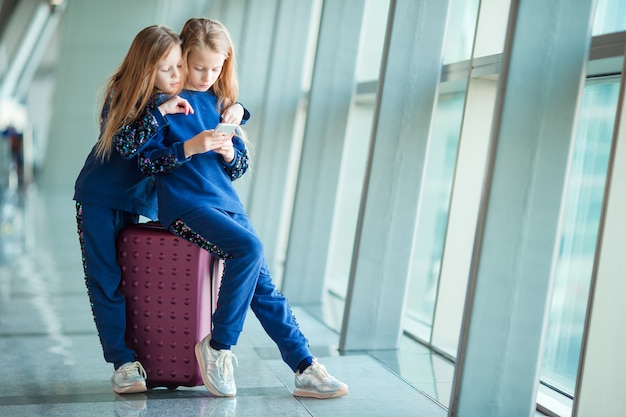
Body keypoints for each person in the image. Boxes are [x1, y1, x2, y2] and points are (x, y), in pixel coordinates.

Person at [138, 18, 348, 399]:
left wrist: (229, 149)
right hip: (185, 207)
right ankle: (218, 347)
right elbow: (146, 163)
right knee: (249, 250)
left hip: (227, 205)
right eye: (199, 66)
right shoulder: (163, 105)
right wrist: (192, 147)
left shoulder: (222, 104)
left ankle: (304, 367)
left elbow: (238, 168)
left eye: (215, 68)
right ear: (182, 56)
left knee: (265, 289)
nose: (206, 76)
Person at [73, 24, 247, 395]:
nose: (177, 77)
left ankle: (142, 359)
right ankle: (122, 363)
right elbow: (126, 146)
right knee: (104, 280)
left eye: (178, 68)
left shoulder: (173, 100)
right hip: (99, 198)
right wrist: (163, 111)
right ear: (146, 68)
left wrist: (239, 109)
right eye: (168, 69)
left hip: (137, 202)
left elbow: (166, 156)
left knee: (128, 280)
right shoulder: (126, 95)